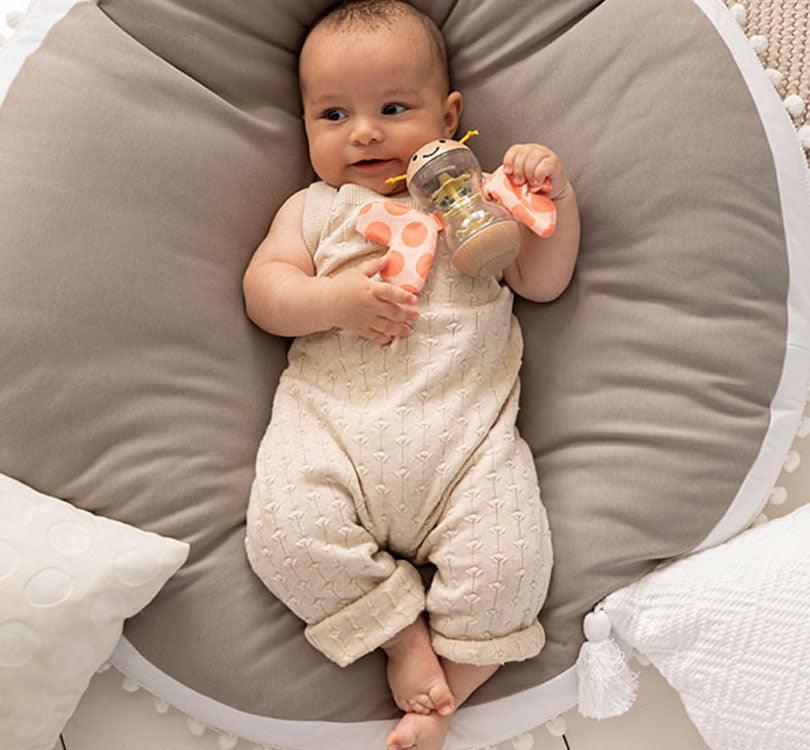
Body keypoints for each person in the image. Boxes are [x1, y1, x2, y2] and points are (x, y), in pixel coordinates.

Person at [242, 2, 580, 748]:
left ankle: (440, 699)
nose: (363, 132)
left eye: (393, 108)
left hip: (467, 447)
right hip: (333, 434)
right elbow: (266, 295)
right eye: (333, 114)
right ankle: (401, 638)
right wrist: (331, 300)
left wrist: (553, 197)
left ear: (448, 113)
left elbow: (545, 281)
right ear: (303, 124)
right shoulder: (317, 209)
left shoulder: (482, 200)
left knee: (512, 562)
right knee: (283, 538)